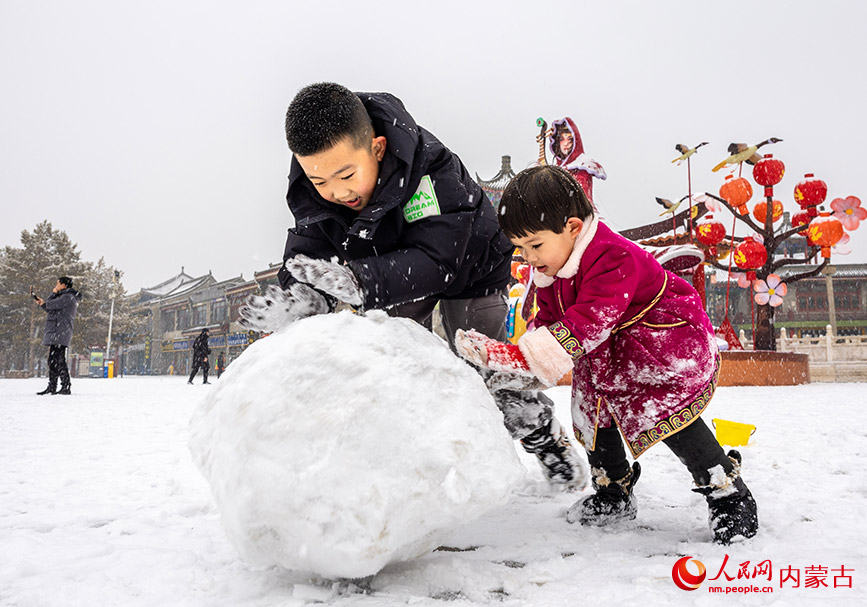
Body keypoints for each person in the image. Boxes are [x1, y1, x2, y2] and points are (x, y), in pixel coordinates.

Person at [240, 82, 586, 490]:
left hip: (468, 269)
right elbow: (308, 248)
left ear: (378, 148)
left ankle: (544, 436)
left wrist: (358, 281)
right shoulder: (314, 187)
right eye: (320, 182)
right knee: (397, 365)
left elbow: (437, 261)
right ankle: (410, 478)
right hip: (384, 273)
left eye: (346, 175)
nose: (336, 192)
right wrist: (303, 295)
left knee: (486, 373)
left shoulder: (434, 171)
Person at [455, 165, 758, 544]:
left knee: (666, 417)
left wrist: (518, 357)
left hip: (653, 345)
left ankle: (727, 492)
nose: (529, 258)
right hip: (604, 349)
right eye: (521, 248)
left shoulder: (612, 256)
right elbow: (551, 323)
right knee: (593, 417)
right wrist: (521, 362)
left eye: (535, 245)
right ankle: (613, 490)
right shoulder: (553, 271)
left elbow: (589, 320)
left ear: (572, 228)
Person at [33, 276, 82, 395]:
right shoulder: (64, 297)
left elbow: (50, 304)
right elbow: (50, 308)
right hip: (57, 331)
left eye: (58, 284)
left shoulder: (68, 297)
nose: (56, 286)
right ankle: (52, 386)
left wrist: (52, 294)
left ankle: (65, 386)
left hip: (60, 332)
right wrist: (42, 303)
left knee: (59, 360)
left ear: (64, 285)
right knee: (52, 360)